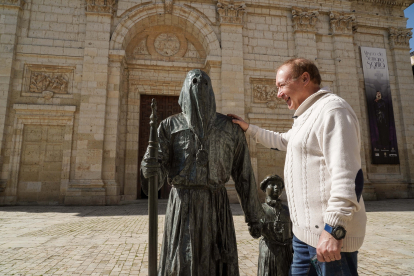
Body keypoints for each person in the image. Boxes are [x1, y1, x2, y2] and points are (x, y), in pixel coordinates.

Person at [228, 58, 367, 276]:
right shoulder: (306, 116)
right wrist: (249, 129)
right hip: (303, 237)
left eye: (281, 85)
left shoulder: (333, 110)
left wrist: (334, 231)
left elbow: (349, 177)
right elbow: (284, 141)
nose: (278, 94)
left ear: (305, 78)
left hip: (327, 238)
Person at [141, 69, 264, 276]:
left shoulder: (230, 128)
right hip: (183, 205)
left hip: (216, 204)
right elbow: (157, 174)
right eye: (194, 82)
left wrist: (254, 217)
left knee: (216, 263)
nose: (199, 86)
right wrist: (150, 168)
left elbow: (244, 174)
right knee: (182, 262)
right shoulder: (169, 126)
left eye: (204, 83)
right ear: (184, 91)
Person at [258, 174, 293, 276]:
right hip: (269, 250)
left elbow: (292, 231)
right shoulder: (260, 209)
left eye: (279, 185)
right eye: (272, 184)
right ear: (265, 189)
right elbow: (255, 232)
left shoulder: (286, 210)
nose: (276, 187)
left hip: (285, 252)